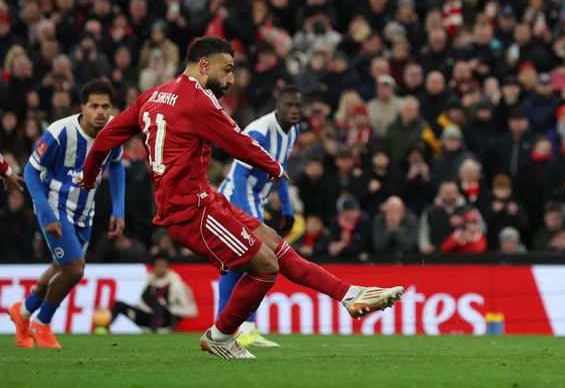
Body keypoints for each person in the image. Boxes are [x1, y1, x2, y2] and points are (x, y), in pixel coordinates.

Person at [77, 37, 403, 359]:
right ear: (204, 65)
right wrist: (273, 165)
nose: (232, 79)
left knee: (273, 241)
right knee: (265, 266)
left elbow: (107, 136)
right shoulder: (198, 100)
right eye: (228, 69)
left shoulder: (151, 96)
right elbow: (237, 143)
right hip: (189, 209)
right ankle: (221, 335)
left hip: (205, 198)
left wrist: (89, 177)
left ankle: (349, 294)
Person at [8, 78, 125, 349]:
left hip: (85, 210)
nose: (100, 112)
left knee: (61, 267)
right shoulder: (60, 132)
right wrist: (47, 214)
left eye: (105, 106)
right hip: (55, 204)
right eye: (94, 106)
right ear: (82, 107)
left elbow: (117, 166)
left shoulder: (113, 131)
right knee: (74, 269)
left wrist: (118, 210)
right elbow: (30, 171)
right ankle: (42, 323)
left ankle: (22, 312)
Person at [216, 86, 303, 348]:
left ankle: (242, 329)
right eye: (290, 105)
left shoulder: (293, 131)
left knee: (246, 264)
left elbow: (281, 169)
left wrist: (287, 207)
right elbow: (239, 174)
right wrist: (247, 217)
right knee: (246, 262)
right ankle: (232, 327)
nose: (295, 111)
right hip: (235, 198)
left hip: (257, 200)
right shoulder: (259, 131)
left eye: (299, 106)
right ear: (278, 105)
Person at [110, 252, 198, 332]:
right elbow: (141, 303)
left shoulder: (176, 285)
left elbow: (192, 311)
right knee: (119, 305)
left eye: (163, 265)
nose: (160, 268)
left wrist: (169, 309)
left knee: (158, 306)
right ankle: (104, 329)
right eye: (157, 265)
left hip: (166, 319)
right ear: (153, 267)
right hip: (148, 316)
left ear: (168, 267)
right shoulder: (150, 280)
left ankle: (153, 333)